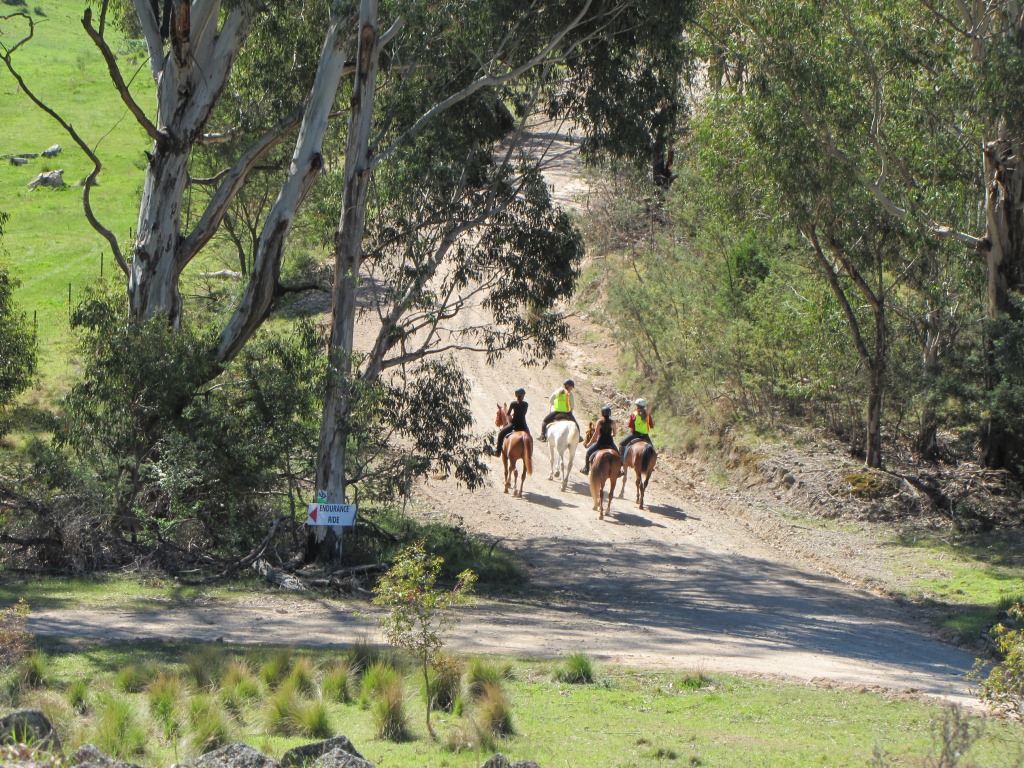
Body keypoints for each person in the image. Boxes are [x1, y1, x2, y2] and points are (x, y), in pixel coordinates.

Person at [580, 405, 617, 475]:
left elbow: (595, 434)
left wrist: (589, 444)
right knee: (618, 455)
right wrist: (611, 435)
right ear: (610, 413)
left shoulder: (600, 421)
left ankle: (586, 469)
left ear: (602, 413)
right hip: (610, 442)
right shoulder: (613, 422)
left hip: (600, 442)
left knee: (588, 453)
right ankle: (619, 470)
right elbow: (615, 434)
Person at [496, 387, 530, 456]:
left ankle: (498, 452)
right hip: (523, 425)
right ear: (523, 395)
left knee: (501, 434)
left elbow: (508, 414)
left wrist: (512, 414)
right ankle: (529, 453)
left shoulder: (513, 403)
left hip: (513, 424)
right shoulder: (526, 404)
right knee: (529, 437)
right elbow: (524, 413)